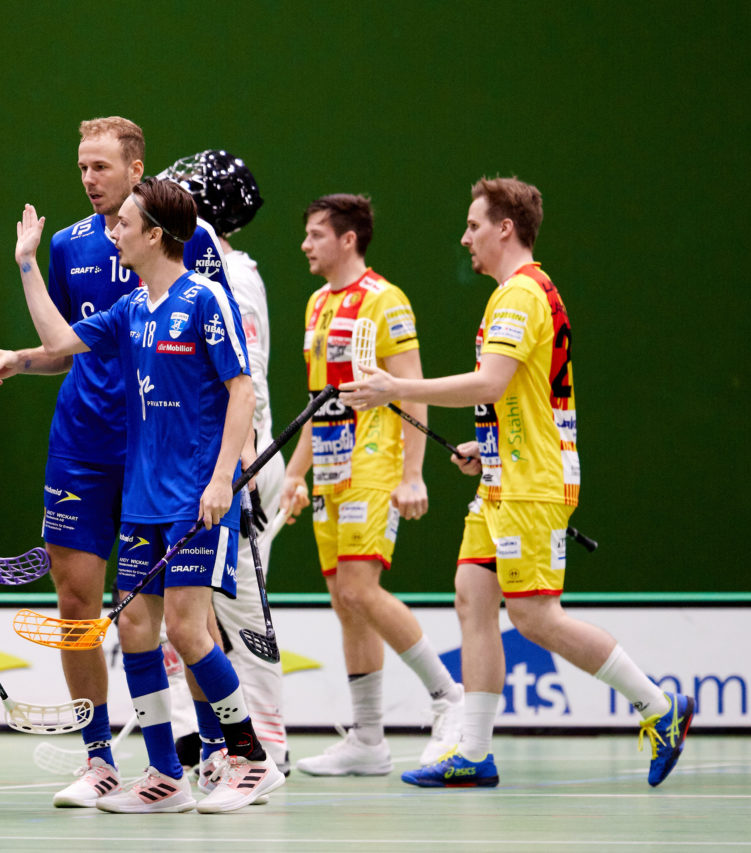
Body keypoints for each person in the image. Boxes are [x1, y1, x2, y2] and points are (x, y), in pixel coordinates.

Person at [341, 176, 693, 788]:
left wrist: (396, 388)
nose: (465, 237)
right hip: (505, 475)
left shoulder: (521, 296)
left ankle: (660, 709)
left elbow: (489, 384)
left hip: (533, 484)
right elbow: (521, 394)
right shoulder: (513, 294)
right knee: (472, 597)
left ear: (505, 228)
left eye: (474, 225)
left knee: (535, 618)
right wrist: (488, 445)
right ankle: (474, 753)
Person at [11, 178, 284, 814]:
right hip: (140, 497)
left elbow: (241, 391)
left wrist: (221, 481)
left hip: (194, 497)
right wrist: (26, 263)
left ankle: (250, 758)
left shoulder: (206, 300)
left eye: (125, 223)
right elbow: (58, 344)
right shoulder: (134, 309)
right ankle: (165, 775)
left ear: (155, 233)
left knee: (188, 630)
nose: (113, 231)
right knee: (135, 625)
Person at [0, 117, 234, 809]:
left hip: (162, 448)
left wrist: (224, 459)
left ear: (136, 170)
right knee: (77, 603)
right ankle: (100, 759)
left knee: (185, 616)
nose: (88, 178)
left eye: (100, 166)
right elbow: (66, 346)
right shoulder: (65, 245)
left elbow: (223, 354)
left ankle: (218, 752)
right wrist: (15, 354)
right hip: (83, 444)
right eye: (81, 166)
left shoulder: (185, 242)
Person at [280, 194, 464, 777]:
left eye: (315, 234)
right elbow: (319, 400)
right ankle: (367, 740)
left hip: (376, 462)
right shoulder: (315, 305)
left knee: (361, 590)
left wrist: (413, 474)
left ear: (348, 239)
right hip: (330, 468)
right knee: (345, 604)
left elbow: (413, 388)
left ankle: (448, 697)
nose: (306, 245)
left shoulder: (387, 301)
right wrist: (293, 470)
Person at [158, 150, 291, 775]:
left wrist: (242, 466)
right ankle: (208, 741)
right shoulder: (213, 273)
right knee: (194, 611)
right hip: (212, 463)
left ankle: (269, 744)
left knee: (243, 612)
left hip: (241, 460)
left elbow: (240, 384)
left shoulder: (230, 280)